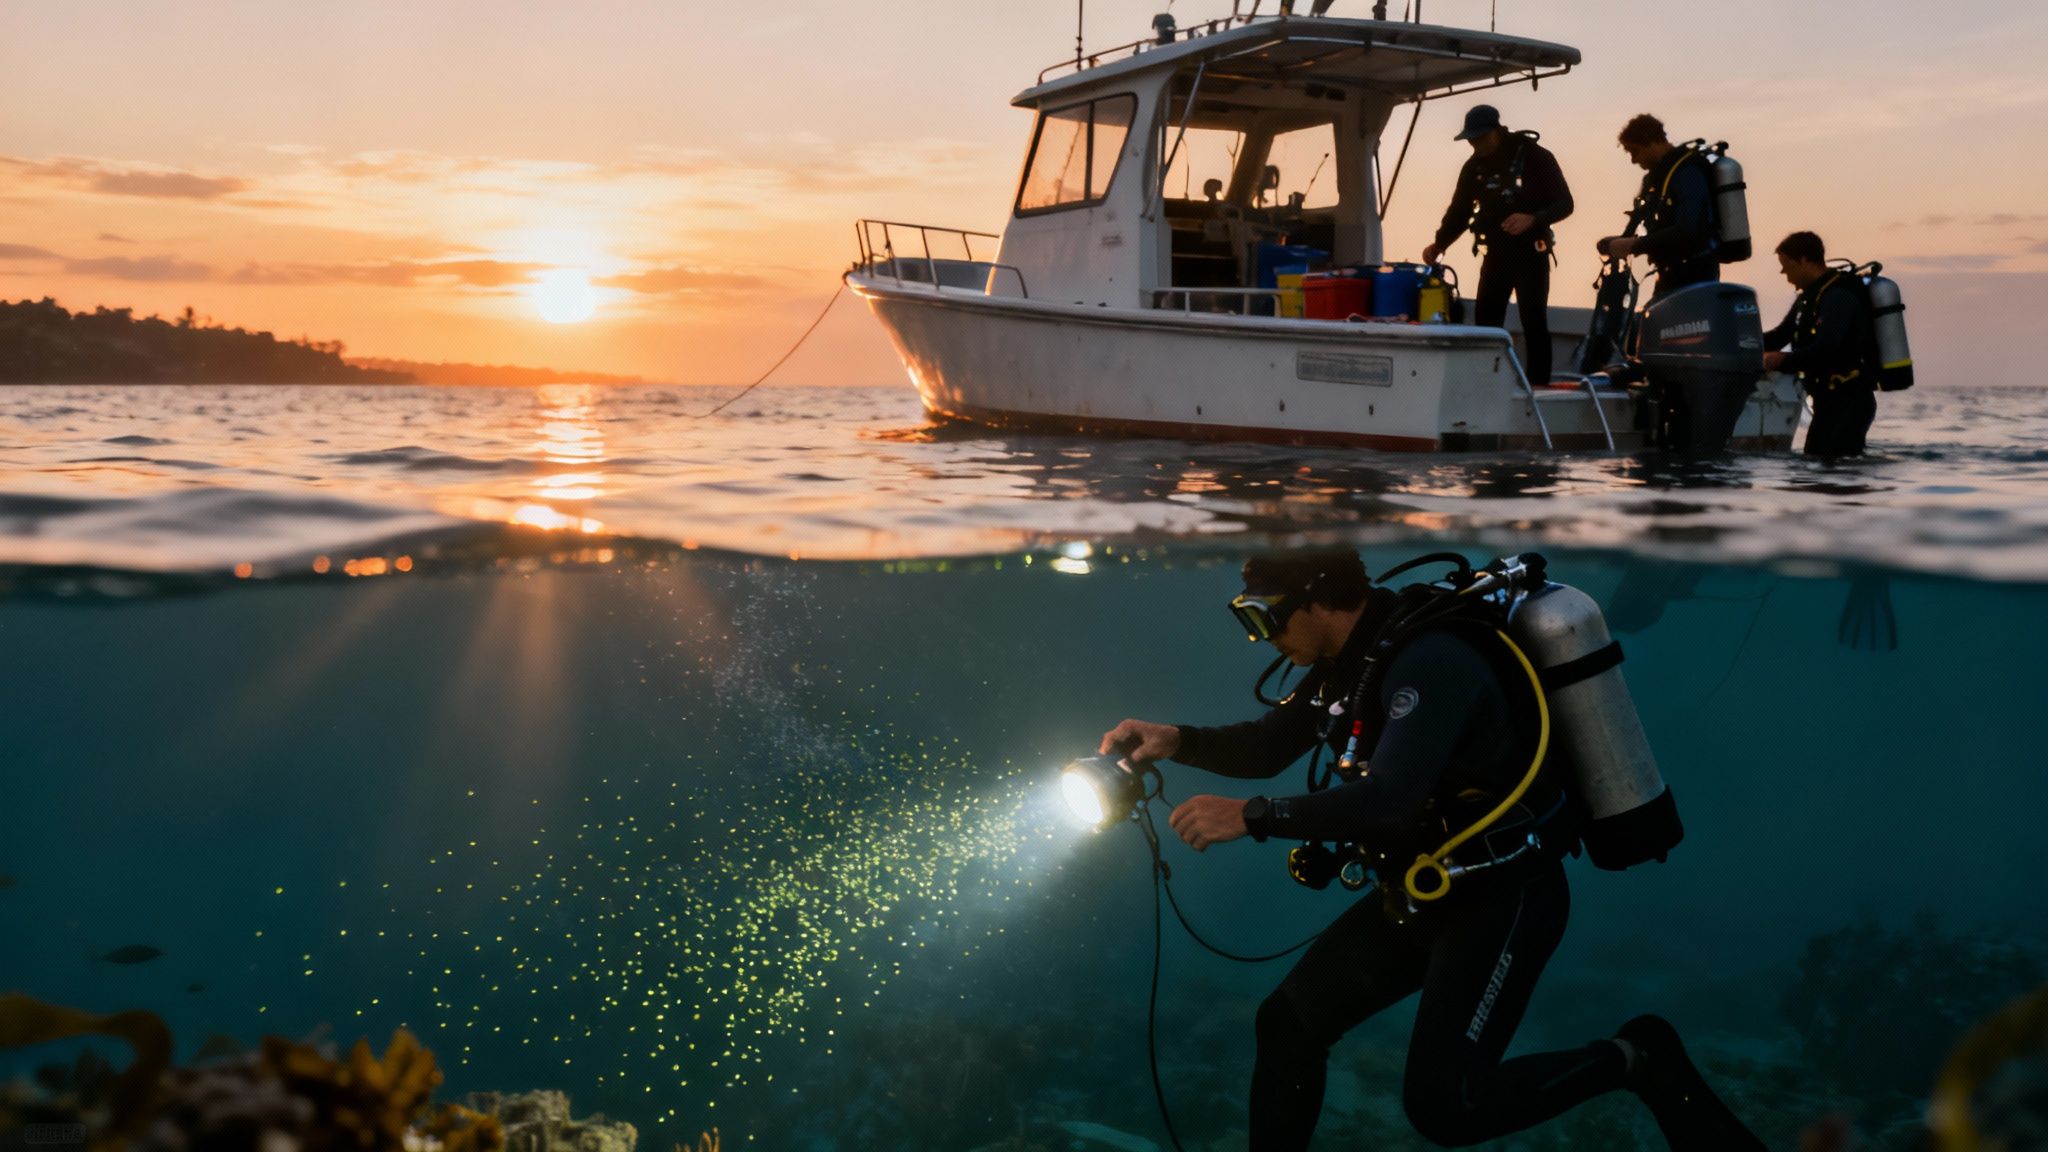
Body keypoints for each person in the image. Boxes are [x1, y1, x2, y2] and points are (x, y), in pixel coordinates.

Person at [1099, 548, 1764, 1151]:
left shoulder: (1429, 659)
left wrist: (1254, 816)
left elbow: (1389, 801)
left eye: (1264, 616)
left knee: (1448, 1106)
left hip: (1503, 895)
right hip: (1424, 887)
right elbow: (1269, 744)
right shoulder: (1349, 661)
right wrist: (1175, 738)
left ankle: (1637, 1057)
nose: (1262, 637)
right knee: (1287, 1026)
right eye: (1248, 620)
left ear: (1320, 598)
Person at [1422, 105, 1574, 385]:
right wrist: (1440, 243)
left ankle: (1538, 385)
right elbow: (1459, 211)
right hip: (1496, 254)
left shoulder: (1535, 156)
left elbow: (1565, 204)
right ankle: (1485, 383)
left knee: (1534, 319)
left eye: (1479, 138)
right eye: (1470, 139)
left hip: (1531, 252)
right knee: (1486, 323)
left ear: (1496, 131)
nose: (1474, 144)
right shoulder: (1473, 167)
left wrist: (1533, 218)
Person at [1762, 231, 1878, 458]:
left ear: (1804, 260)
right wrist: (1736, 343)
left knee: (1832, 472)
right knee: (1817, 467)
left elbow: (1827, 348)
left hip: (1849, 401)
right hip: (1827, 402)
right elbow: (1779, 336)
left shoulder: (1839, 295)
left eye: (1787, 267)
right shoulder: (1809, 297)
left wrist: (1782, 360)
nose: (1785, 275)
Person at [1596, 113, 1719, 297]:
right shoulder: (1656, 179)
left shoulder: (1687, 173)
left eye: (1634, 151)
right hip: (1668, 275)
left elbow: (1688, 229)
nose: (1633, 160)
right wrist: (1615, 243)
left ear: (1650, 141)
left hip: (1695, 274)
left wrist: (1635, 245)